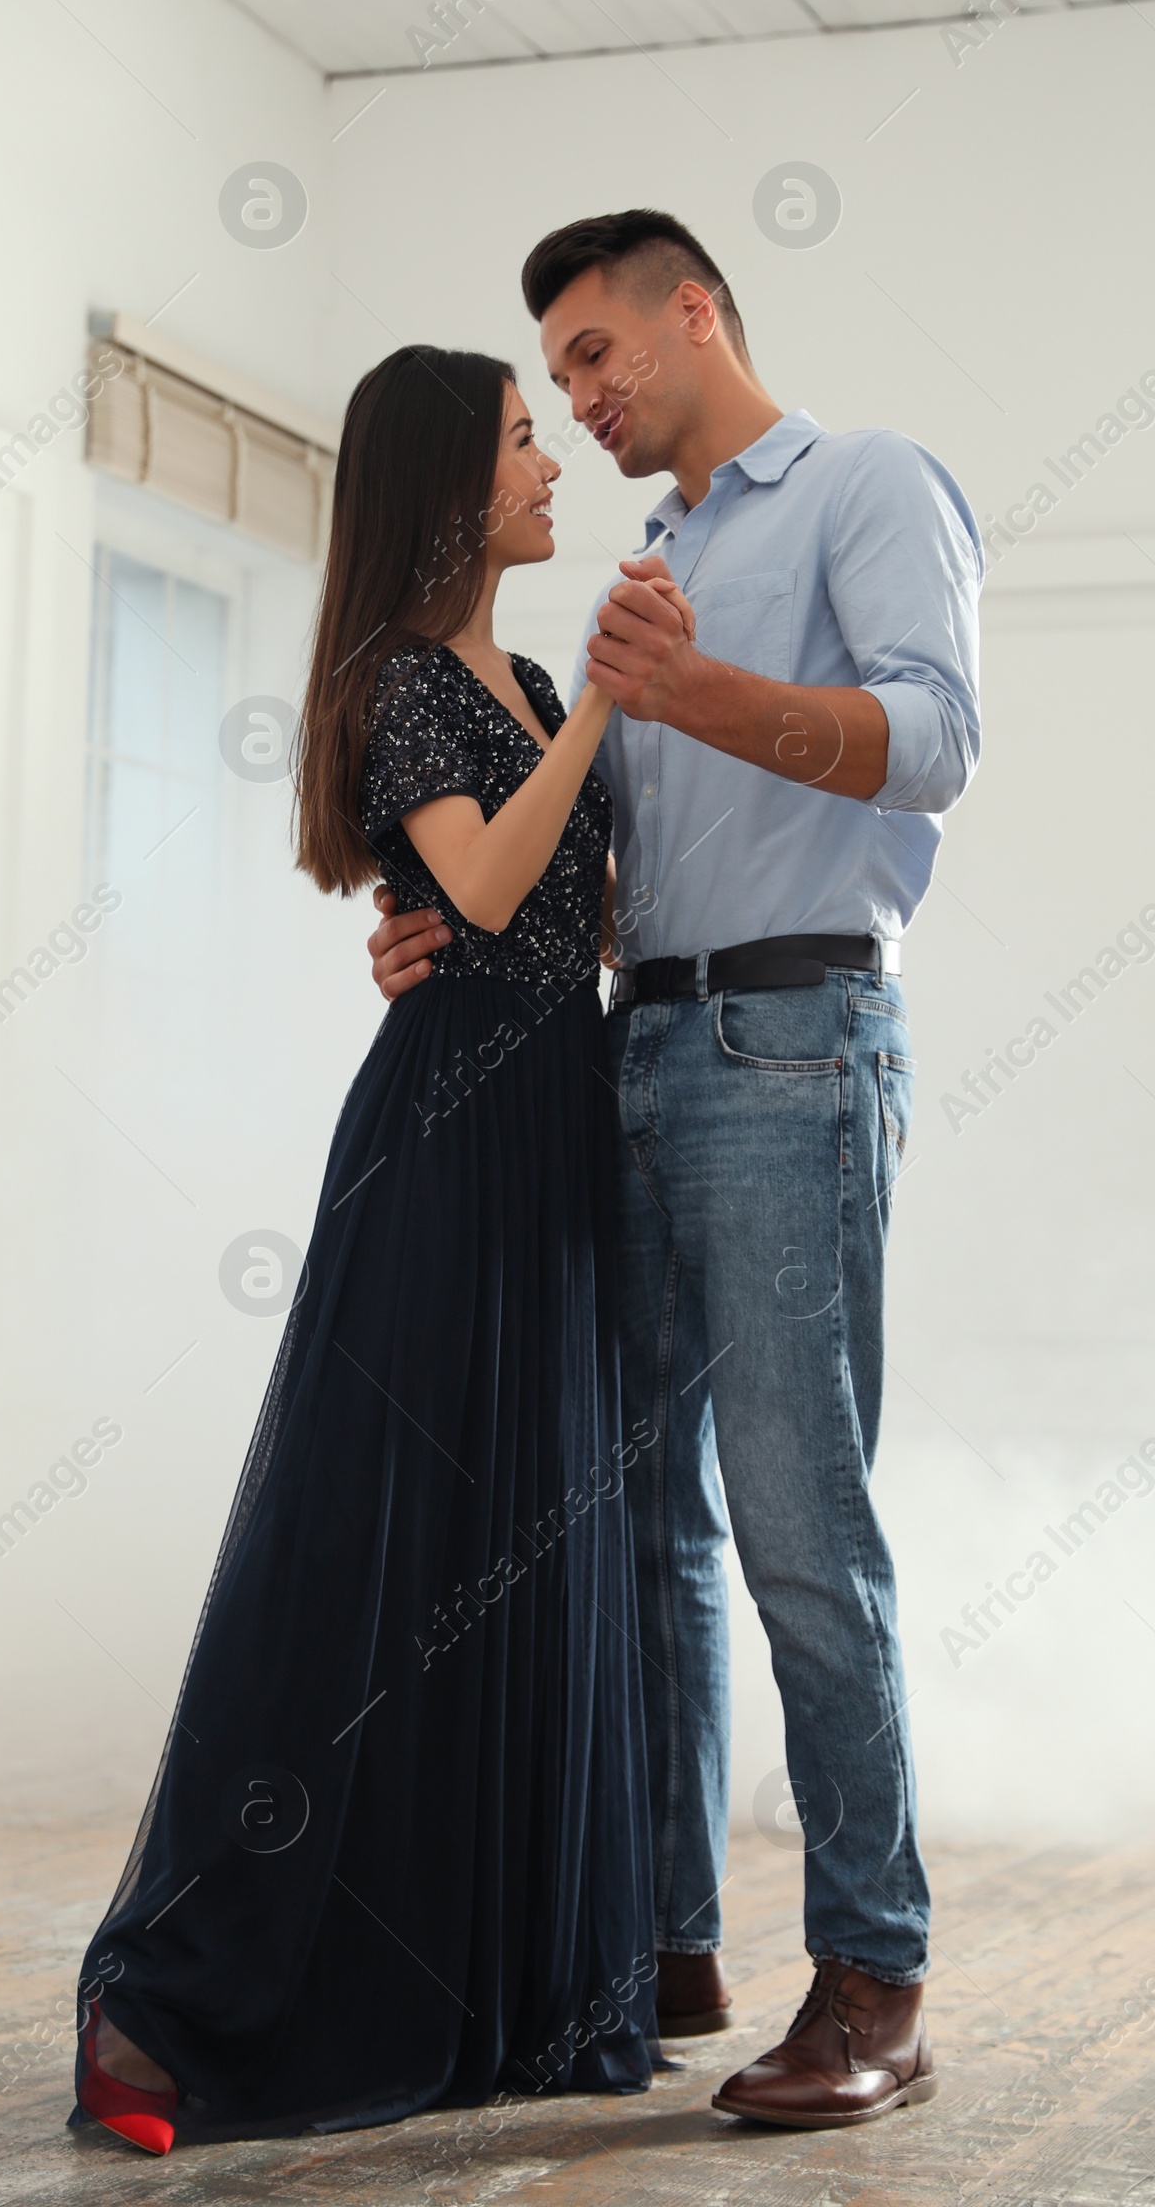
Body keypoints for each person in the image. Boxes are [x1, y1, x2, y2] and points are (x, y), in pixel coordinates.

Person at [371, 210, 981, 2130]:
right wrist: (428, 930)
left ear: (691, 311)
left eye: (588, 353)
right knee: (644, 1529)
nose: (577, 396)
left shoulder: (867, 485)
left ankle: (875, 1978)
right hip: (627, 1055)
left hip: (794, 1046)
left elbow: (941, 744)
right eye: (554, 379)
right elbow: (583, 867)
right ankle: (665, 1936)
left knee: (804, 1530)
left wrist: (692, 692)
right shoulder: (649, 561)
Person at [70, 346, 665, 2153]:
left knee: (527, 1537)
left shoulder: (543, 675)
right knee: (370, 1546)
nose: (551, 458)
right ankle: (168, 2006)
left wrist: (609, 724)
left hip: (554, 1125)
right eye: (518, 437)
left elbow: (583, 919)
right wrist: (601, 722)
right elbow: (480, 890)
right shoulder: (407, 680)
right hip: (444, 1141)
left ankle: (494, 1985)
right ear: (445, 486)